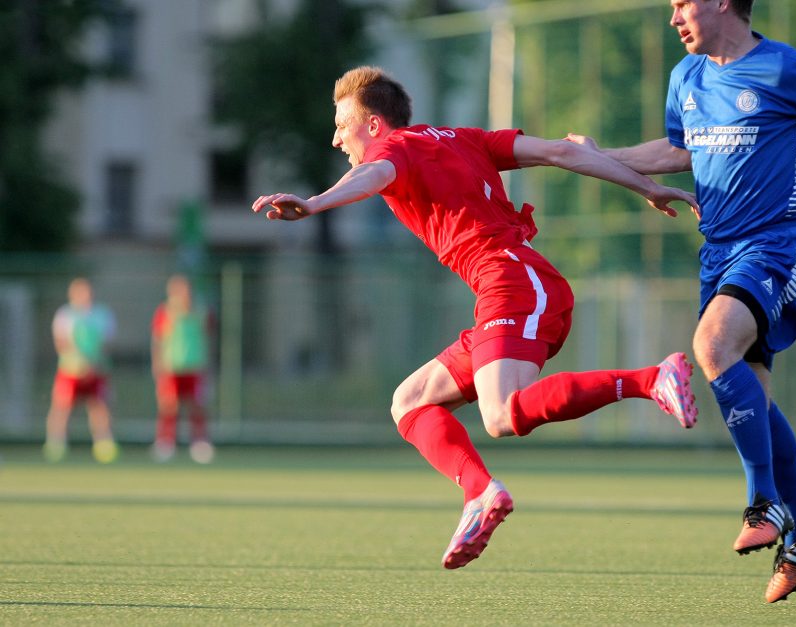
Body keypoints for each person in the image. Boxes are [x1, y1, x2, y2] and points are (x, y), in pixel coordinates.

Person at [252, 66, 700, 571]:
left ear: (375, 125)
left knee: (500, 414)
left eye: (342, 125)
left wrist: (314, 204)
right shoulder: (464, 138)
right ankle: (480, 494)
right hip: (510, 285)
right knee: (410, 402)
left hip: (513, 282)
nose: (336, 138)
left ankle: (651, 379)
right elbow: (561, 151)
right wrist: (648, 187)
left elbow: (370, 175)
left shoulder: (391, 152)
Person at [569, 0, 796, 603]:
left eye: (681, 4)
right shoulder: (686, 78)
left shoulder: (787, 68)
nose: (673, 17)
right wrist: (601, 154)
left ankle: (764, 503)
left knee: (711, 346)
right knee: (750, 392)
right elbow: (679, 151)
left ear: (722, 3)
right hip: (718, 253)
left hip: (778, 243)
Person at [43, 277, 119, 464]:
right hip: (71, 370)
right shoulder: (65, 314)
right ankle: (56, 443)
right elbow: (62, 343)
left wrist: (93, 364)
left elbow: (107, 343)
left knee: (99, 407)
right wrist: (81, 363)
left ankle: (103, 443)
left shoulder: (102, 314)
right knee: (61, 407)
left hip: (97, 370)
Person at [151, 274, 215, 464]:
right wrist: (157, 365)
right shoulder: (165, 312)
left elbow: (208, 338)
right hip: (171, 367)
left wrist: (208, 364)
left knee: (197, 406)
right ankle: (165, 443)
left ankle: (200, 443)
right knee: (168, 406)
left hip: (195, 366)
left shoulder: (200, 310)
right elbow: (158, 340)